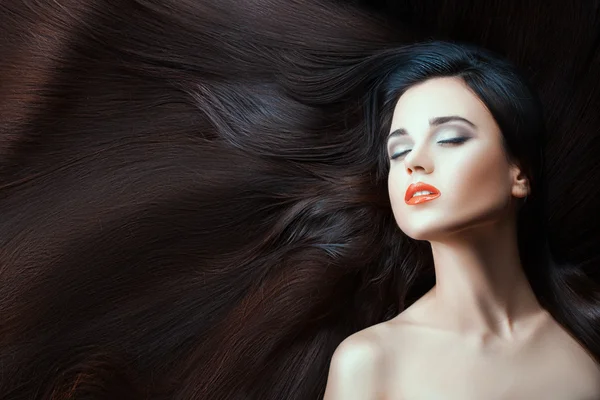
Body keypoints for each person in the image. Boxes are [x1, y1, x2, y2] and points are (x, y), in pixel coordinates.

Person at [322, 41, 600, 399]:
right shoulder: (370, 363)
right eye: (399, 150)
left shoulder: (587, 337)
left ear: (519, 173)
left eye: (450, 139)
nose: (414, 162)